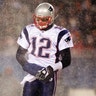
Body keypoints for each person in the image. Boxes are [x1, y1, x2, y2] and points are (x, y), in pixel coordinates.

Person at [16, 2, 73, 96]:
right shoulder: (29, 30)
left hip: (49, 78)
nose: (40, 22)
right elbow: (19, 55)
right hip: (32, 76)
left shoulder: (60, 33)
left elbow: (67, 60)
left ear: (51, 18)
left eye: (44, 19)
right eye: (38, 19)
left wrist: (50, 69)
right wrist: (34, 70)